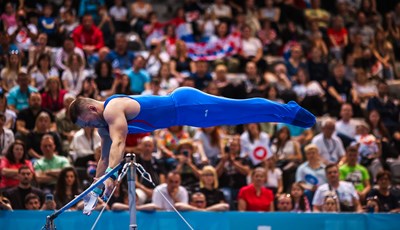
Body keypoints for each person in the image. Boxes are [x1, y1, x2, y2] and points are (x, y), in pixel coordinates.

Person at [68, 86, 315, 214]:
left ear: (91, 109)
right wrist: (94, 190)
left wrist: (111, 174)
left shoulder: (112, 111)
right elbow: (103, 159)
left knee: (240, 110)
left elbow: (119, 144)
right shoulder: (104, 124)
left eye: (87, 123)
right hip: (186, 112)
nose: (90, 127)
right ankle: (286, 112)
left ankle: (289, 110)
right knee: (237, 114)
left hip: (188, 106)